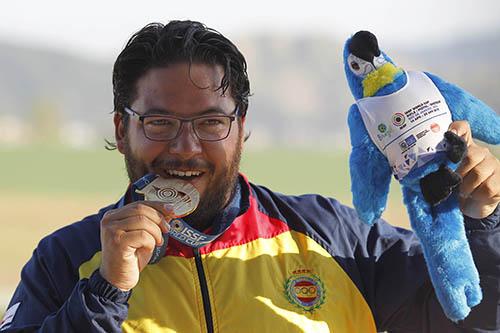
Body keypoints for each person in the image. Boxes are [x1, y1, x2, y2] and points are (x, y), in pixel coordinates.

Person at [1, 20, 499, 333]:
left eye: (211, 122)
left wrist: (486, 220)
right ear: (121, 127)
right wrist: (106, 293)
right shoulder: (66, 260)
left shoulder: (337, 238)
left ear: (241, 128)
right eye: (159, 122)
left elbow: (478, 316)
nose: (185, 146)